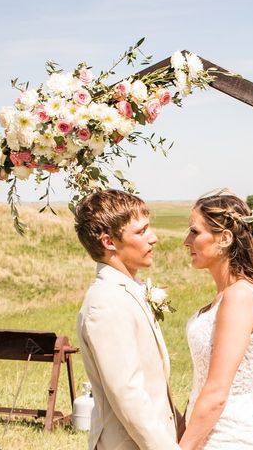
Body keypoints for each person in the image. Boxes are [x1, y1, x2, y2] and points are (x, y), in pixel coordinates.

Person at [179, 191, 253, 450]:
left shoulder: (239, 298)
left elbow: (216, 393)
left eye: (194, 232)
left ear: (224, 238)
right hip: (206, 435)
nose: (186, 241)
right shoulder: (231, 295)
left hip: (227, 439)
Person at [74, 189, 180, 450]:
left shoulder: (129, 289)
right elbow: (127, 395)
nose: (153, 238)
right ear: (109, 242)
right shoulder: (106, 302)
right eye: (141, 231)